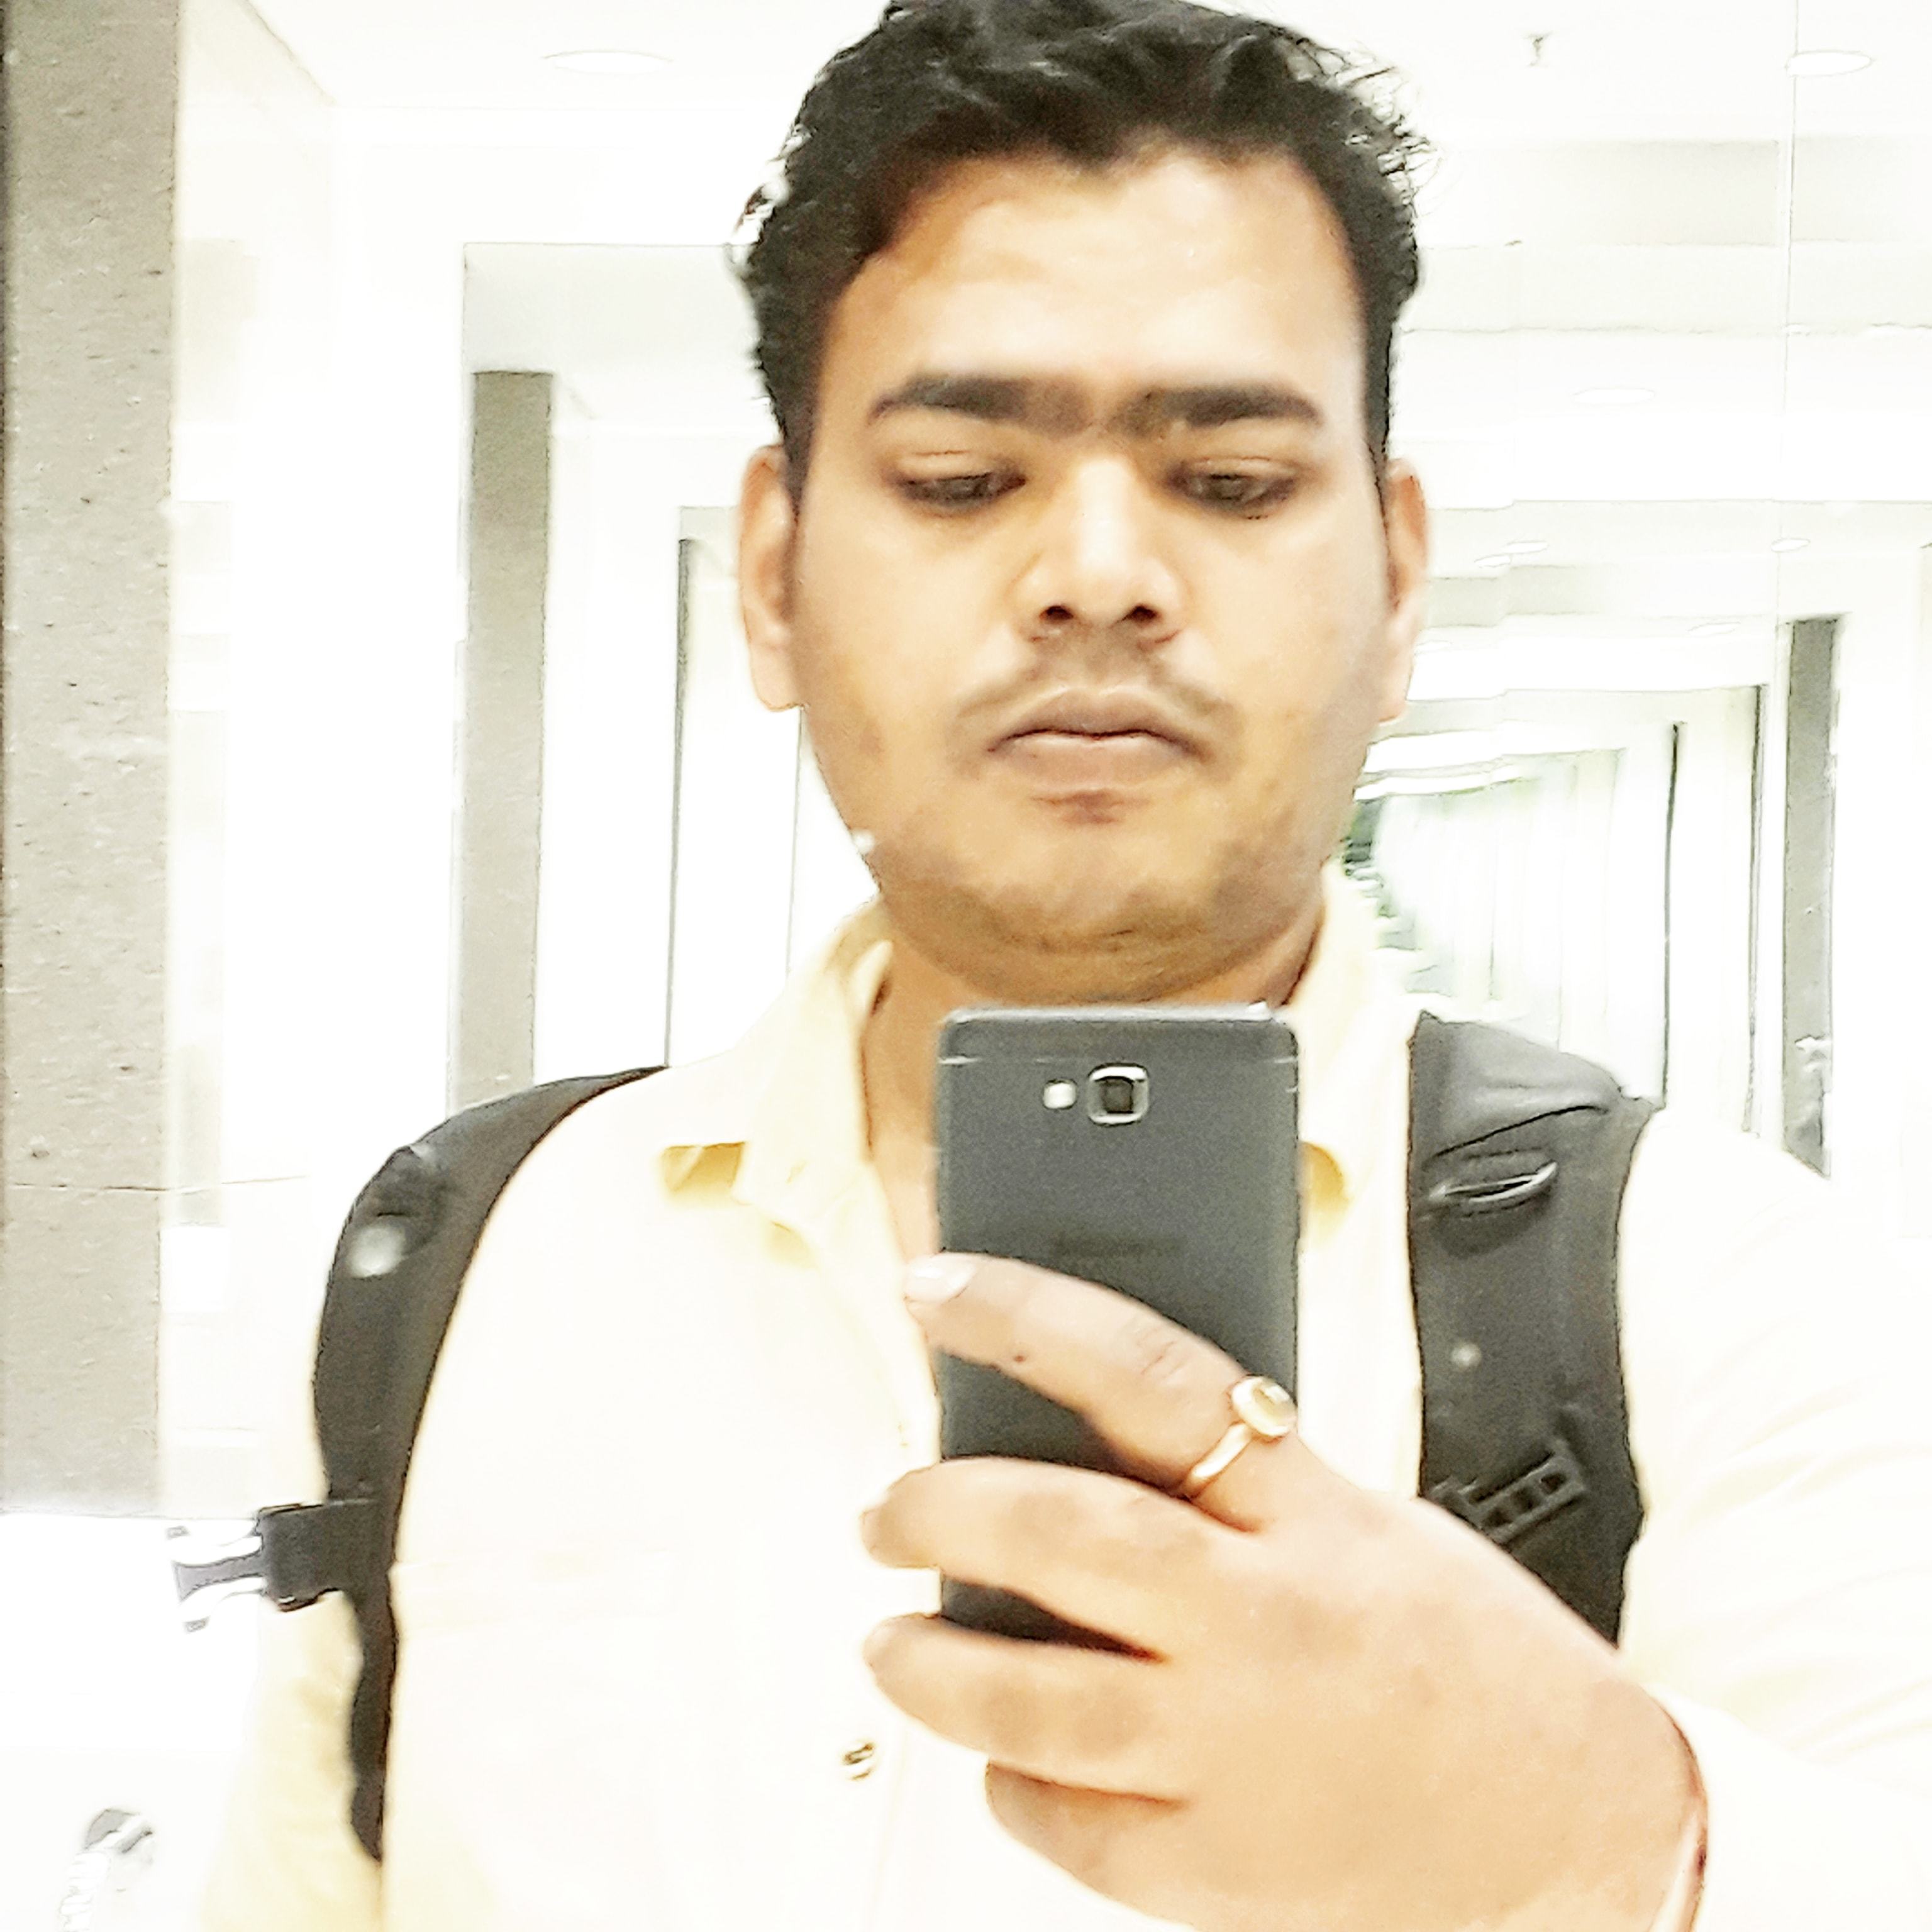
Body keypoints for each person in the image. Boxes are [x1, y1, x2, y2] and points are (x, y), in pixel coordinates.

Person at [201, 3, 1932, 1928]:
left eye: (1233, 482)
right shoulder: (465, 1267)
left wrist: (1621, 1850)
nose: (1098, 573)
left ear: (1397, 584)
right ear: (772, 573)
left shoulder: (1717, 1301)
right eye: (961, 479)